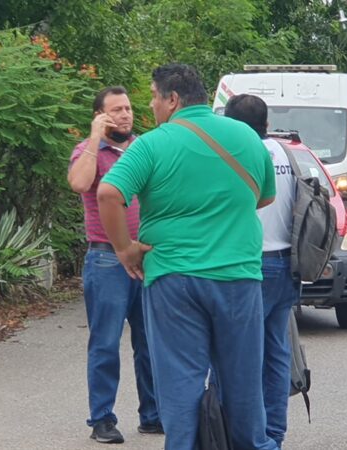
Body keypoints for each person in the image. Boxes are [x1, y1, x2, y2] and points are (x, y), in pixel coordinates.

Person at [96, 64, 278, 450]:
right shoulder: (246, 136)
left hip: (173, 279)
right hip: (237, 276)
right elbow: (265, 196)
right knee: (243, 380)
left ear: (172, 99)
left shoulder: (151, 144)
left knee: (181, 381)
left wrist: (125, 249)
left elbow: (109, 194)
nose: (150, 105)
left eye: (153, 97)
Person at [67, 86, 160, 444]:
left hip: (146, 255)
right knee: (105, 342)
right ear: (101, 115)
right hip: (106, 258)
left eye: (128, 108)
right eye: (116, 110)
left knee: (149, 340)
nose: (125, 114)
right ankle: (102, 419)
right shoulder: (89, 152)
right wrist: (94, 138)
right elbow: (79, 182)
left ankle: (153, 414)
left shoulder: (145, 147)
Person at [224, 93, 299, 448]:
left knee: (240, 358)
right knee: (276, 353)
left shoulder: (238, 154)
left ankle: (247, 437)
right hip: (288, 262)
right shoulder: (288, 153)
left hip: (251, 264)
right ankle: (274, 434)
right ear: (266, 124)